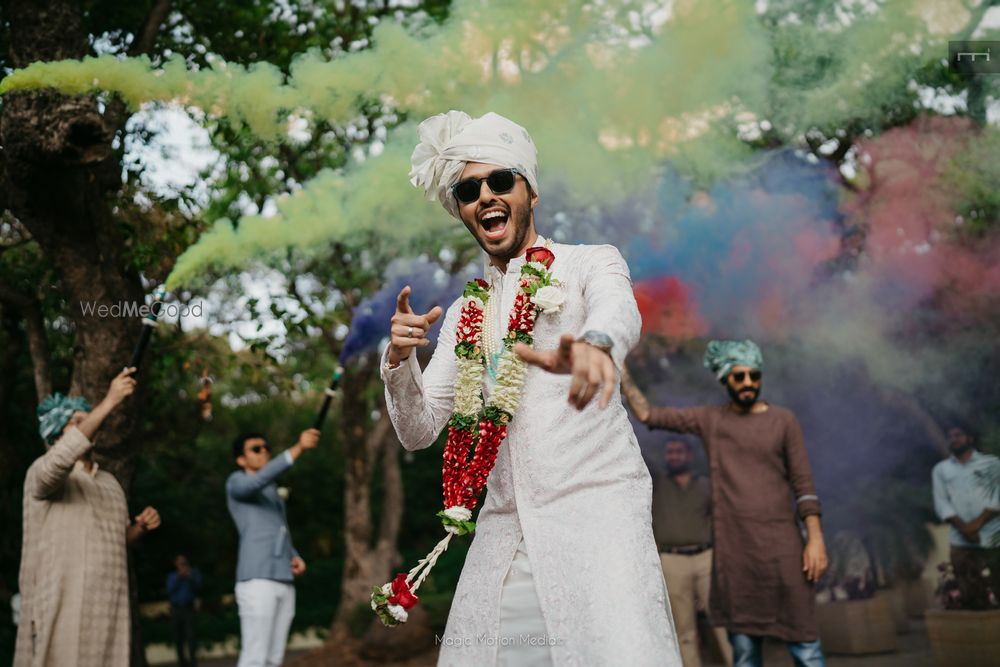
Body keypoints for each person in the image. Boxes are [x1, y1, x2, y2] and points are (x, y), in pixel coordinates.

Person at [382, 110, 680, 666]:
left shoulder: (589, 262)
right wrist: (399, 361)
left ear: (530, 190)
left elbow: (620, 311)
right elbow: (418, 432)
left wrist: (595, 343)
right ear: (463, 210)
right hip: (502, 537)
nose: (485, 195)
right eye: (469, 189)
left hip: (598, 523)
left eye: (501, 181)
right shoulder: (465, 312)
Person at [622, 340, 828, 667]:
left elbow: (803, 483)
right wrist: (619, 366)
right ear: (725, 380)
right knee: (744, 653)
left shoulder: (783, 421)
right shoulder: (711, 420)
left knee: (806, 646)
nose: (748, 383)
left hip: (783, 549)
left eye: (753, 375)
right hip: (736, 556)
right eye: (739, 376)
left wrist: (815, 539)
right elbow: (648, 414)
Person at [15, 368, 162, 667]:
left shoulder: (110, 482)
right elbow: (58, 463)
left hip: (107, 605)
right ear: (56, 434)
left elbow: (119, 541)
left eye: (88, 420)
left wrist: (139, 527)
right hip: (60, 602)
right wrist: (109, 402)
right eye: (77, 423)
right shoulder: (41, 472)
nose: (90, 426)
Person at [226, 429, 319, 667]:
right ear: (241, 460)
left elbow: (280, 528)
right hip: (257, 578)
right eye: (255, 449)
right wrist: (297, 448)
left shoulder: (272, 492)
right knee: (254, 656)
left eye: (266, 447)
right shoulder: (236, 482)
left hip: (284, 577)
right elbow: (257, 481)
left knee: (273, 658)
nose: (264, 451)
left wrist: (295, 556)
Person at [651, 437, 732, 667]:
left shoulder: (706, 484)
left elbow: (722, 520)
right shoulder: (656, 484)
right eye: (670, 452)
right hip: (672, 559)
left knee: (721, 621)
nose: (674, 456)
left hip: (707, 557)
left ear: (689, 455)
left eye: (679, 451)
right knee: (683, 628)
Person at [932, 424, 1000, 608]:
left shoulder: (991, 464)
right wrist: (965, 529)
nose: (953, 439)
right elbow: (942, 504)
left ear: (969, 438)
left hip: (994, 537)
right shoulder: (941, 470)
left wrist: (976, 525)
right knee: (971, 593)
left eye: (958, 435)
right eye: (950, 436)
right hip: (961, 541)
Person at [166, 554, 202, 667]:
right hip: (176, 609)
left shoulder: (193, 573)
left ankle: (193, 662)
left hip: (188, 608)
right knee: (178, 637)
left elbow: (198, 587)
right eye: (180, 563)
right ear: (176, 564)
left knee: (191, 636)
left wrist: (189, 577)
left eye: (184, 562)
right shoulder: (172, 576)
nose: (183, 565)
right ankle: (182, 662)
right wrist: (179, 577)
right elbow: (169, 590)